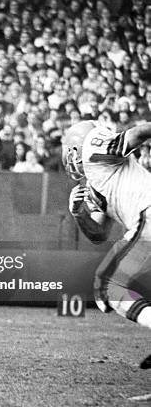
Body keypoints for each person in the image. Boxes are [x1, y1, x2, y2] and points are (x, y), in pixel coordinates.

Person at [62, 120, 151, 369]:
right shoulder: (96, 183)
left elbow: (139, 133)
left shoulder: (92, 147)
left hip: (147, 215)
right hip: (143, 222)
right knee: (113, 288)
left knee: (107, 285)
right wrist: (79, 214)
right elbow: (99, 234)